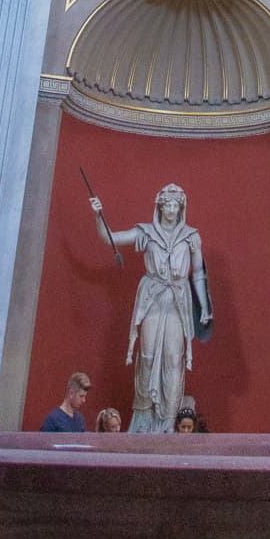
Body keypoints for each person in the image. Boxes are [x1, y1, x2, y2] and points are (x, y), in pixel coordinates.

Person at [89, 183, 213, 432]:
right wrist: (97, 215)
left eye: (175, 205)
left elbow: (198, 272)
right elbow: (110, 238)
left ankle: (167, 421)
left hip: (178, 300)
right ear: (159, 206)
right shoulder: (145, 232)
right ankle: (143, 420)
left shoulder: (191, 237)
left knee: (173, 359)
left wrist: (204, 305)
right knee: (146, 356)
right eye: (166, 204)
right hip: (153, 299)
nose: (170, 209)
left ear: (181, 208)